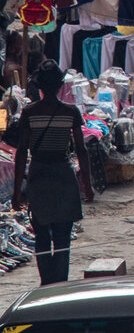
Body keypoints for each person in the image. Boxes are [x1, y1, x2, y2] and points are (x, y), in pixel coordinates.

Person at [11, 59, 93, 285]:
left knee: (42, 235)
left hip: (38, 176)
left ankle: (47, 284)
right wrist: (88, 185)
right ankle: (60, 285)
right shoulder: (71, 112)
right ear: (60, 86)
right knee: (63, 237)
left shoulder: (29, 112)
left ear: (39, 86)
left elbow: (21, 153)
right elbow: (81, 150)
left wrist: (17, 191)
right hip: (64, 177)